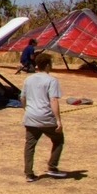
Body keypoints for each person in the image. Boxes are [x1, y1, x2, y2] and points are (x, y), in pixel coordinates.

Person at [21, 53, 67, 182]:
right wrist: (58, 120)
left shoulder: (28, 79)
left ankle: (29, 173)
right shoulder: (51, 80)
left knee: (30, 146)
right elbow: (53, 100)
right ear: (47, 65)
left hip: (30, 117)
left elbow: (22, 97)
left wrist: (27, 109)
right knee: (58, 140)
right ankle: (52, 166)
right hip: (46, 118)